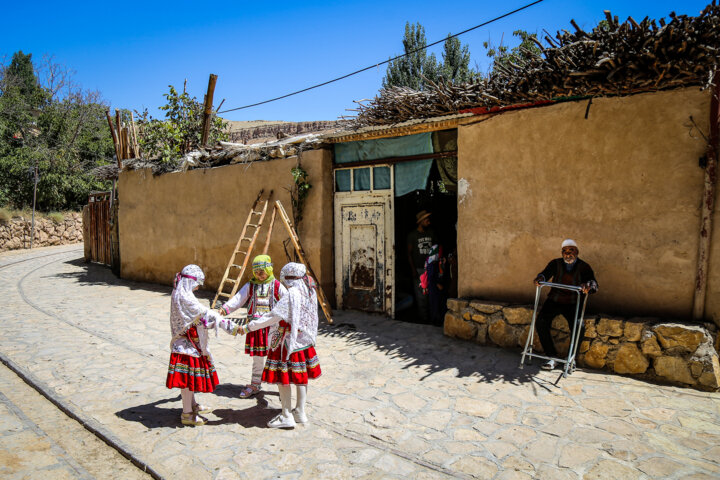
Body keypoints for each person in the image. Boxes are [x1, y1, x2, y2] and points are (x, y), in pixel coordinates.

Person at [236, 262, 321, 429]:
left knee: (284, 380)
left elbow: (273, 316)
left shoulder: (292, 294)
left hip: (287, 343)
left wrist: (248, 327)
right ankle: (300, 412)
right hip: (303, 342)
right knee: (300, 378)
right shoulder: (309, 290)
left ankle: (286, 414)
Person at [166, 264, 240, 426]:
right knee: (187, 379)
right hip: (186, 347)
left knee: (189, 378)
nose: (199, 287)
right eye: (198, 283)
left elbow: (200, 318)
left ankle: (191, 405)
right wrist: (231, 327)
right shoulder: (185, 297)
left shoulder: (180, 293)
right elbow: (205, 314)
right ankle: (187, 413)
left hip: (190, 343)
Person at [218, 255, 287, 398]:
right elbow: (238, 299)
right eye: (256, 272)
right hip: (255, 329)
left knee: (278, 356)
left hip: (273, 329)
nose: (259, 275)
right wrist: (224, 309)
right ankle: (255, 384)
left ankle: (283, 387)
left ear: (269, 269)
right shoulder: (250, 285)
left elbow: (288, 302)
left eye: (261, 271)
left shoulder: (277, 286)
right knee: (257, 357)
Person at [533, 239, 598, 370]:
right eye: (565, 251)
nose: (568, 254)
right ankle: (552, 357)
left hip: (573, 302)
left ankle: (570, 359)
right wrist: (540, 278)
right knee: (540, 322)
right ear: (562, 253)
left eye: (571, 251)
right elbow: (545, 274)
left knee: (579, 328)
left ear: (577, 252)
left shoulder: (584, 267)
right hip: (554, 300)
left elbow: (593, 283)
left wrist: (588, 286)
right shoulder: (555, 263)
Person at [407, 210, 437, 323]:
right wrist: (413, 269)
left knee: (431, 293)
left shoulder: (431, 233)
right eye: (426, 220)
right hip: (419, 269)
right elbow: (409, 253)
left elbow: (436, 249)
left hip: (430, 268)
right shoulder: (412, 235)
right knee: (421, 296)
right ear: (420, 222)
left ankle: (432, 318)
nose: (428, 222)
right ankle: (423, 319)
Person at [424, 244, 449, 326]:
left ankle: (438, 320)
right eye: (439, 252)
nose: (441, 254)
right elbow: (431, 277)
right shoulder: (431, 263)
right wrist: (438, 284)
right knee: (435, 304)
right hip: (434, 287)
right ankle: (435, 321)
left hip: (436, 288)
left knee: (438, 303)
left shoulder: (435, 261)